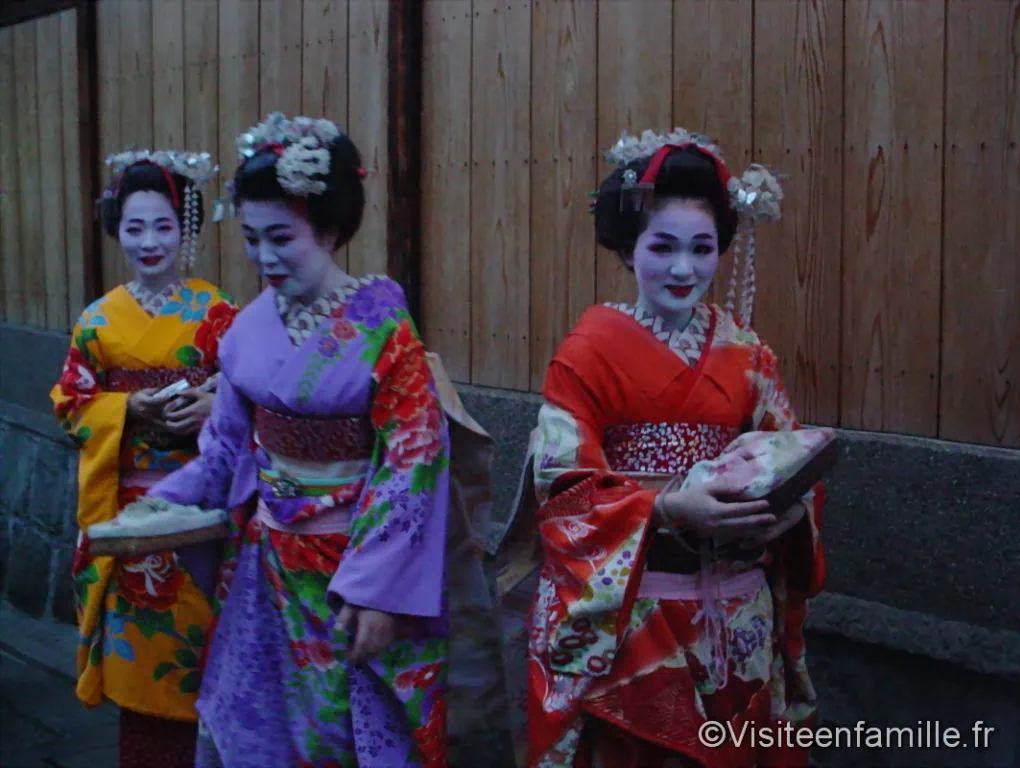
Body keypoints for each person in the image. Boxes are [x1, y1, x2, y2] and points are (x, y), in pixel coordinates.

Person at [146, 113, 472, 767]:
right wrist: (161, 506)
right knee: (258, 724)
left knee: (345, 732)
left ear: (329, 228)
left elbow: (411, 462)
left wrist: (376, 591)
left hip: (352, 573)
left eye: (282, 238)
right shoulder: (245, 329)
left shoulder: (383, 327)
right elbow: (226, 447)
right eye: (252, 238)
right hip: (266, 569)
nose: (265, 257)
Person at [494, 128, 826, 767]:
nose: (683, 269)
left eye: (702, 248)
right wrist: (670, 508)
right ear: (628, 247)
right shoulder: (588, 353)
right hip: (633, 606)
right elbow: (561, 486)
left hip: (737, 610)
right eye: (662, 246)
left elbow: (791, 460)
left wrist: (782, 508)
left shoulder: (747, 353)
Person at [51, 149, 238, 766]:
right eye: (135, 227)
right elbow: (70, 402)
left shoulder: (218, 312)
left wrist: (214, 405)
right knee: (140, 653)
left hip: (200, 511)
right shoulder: (97, 320)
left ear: (186, 228)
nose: (149, 241)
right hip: (129, 512)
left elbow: (252, 393)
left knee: (206, 645)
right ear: (117, 230)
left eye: (164, 225)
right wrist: (127, 409)